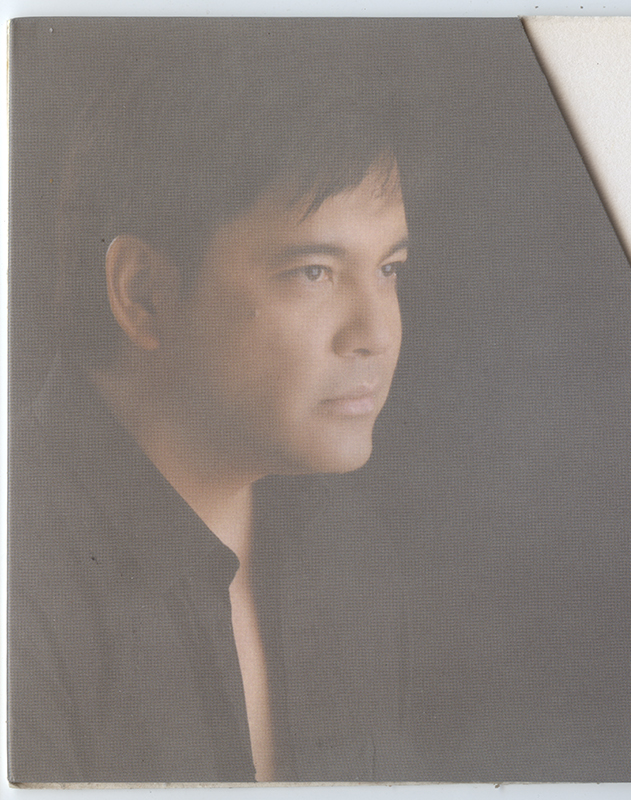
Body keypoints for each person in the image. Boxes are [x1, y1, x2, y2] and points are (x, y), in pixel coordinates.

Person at [9, 36, 417, 783]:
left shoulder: (346, 554)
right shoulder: (21, 582)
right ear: (143, 294)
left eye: (389, 268)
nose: (377, 333)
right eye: (314, 272)